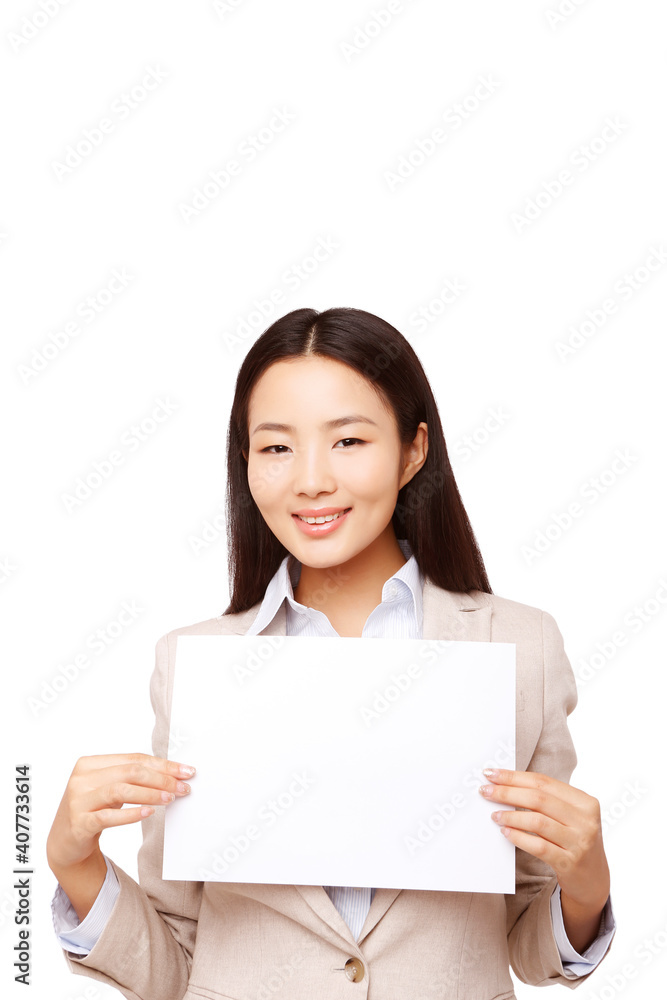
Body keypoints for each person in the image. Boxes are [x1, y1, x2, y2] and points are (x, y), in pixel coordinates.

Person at [48, 306, 615, 999]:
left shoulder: (518, 645)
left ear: (412, 450)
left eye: (347, 441)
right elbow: (176, 956)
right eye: (276, 447)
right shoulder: (193, 663)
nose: (310, 480)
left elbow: (525, 934)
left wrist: (585, 886)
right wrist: (73, 863)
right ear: (246, 463)